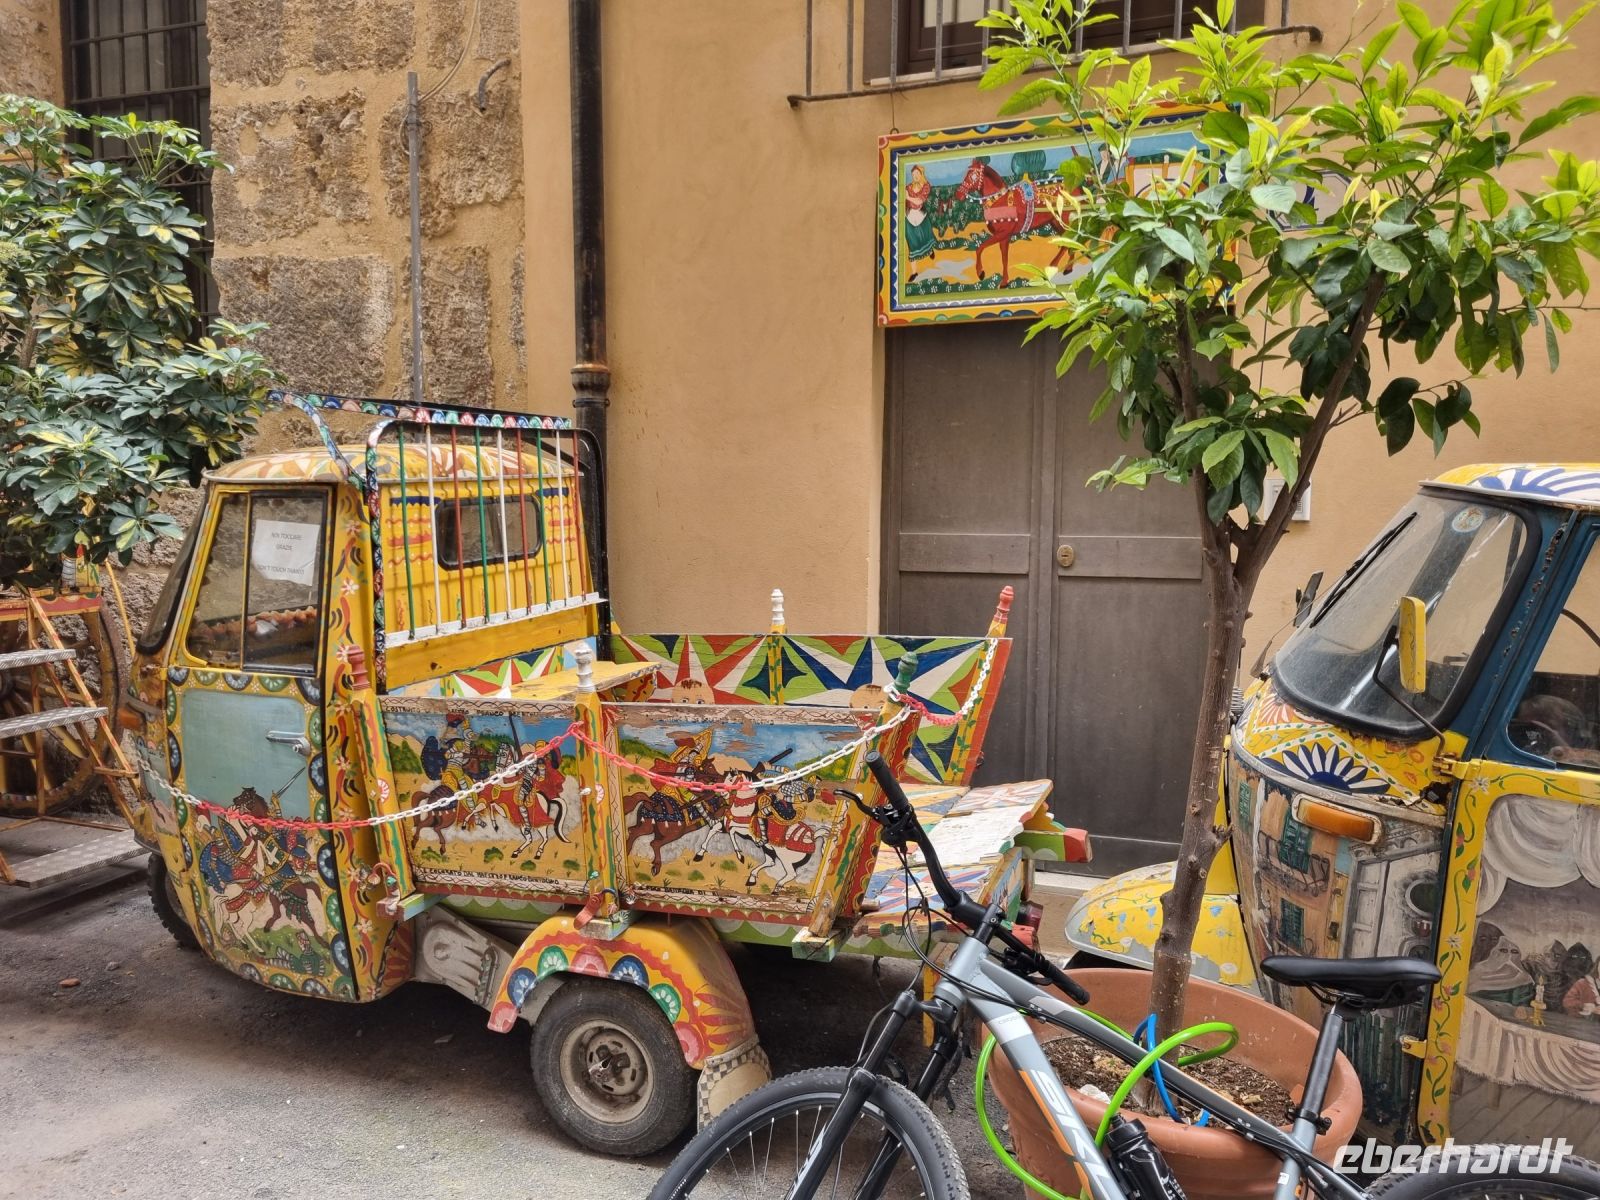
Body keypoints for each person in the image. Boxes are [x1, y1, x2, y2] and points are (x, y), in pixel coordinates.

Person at [904, 164, 936, 281]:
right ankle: (914, 272)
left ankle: (930, 250)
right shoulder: (907, 188)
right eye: (913, 175)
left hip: (921, 216)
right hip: (909, 217)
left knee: (926, 237)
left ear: (921, 174)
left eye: (917, 174)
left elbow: (919, 201)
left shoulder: (926, 186)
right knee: (912, 243)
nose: (915, 176)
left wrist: (908, 198)